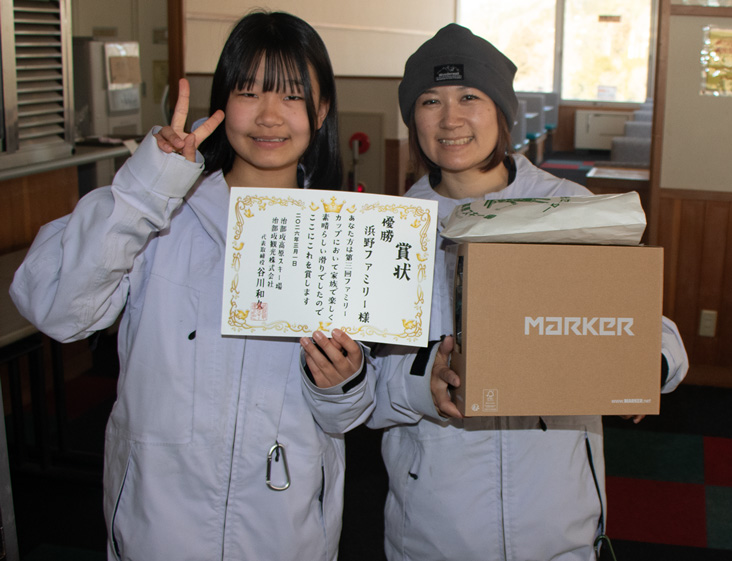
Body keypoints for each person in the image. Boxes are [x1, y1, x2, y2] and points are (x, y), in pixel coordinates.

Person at [10, 11, 375, 561]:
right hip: (159, 523)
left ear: (321, 111)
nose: (269, 115)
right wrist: (145, 189)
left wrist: (341, 381)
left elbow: (349, 414)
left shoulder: (344, 237)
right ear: (221, 102)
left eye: (293, 96)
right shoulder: (161, 214)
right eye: (248, 91)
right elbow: (56, 308)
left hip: (283, 526)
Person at [367, 24, 690, 561]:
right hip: (436, 525)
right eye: (431, 100)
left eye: (470, 96)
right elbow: (363, 389)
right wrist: (424, 383)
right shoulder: (391, 229)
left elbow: (651, 329)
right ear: (412, 118)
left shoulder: (570, 207)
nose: (451, 119)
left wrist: (646, 363)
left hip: (558, 517)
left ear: (501, 111)